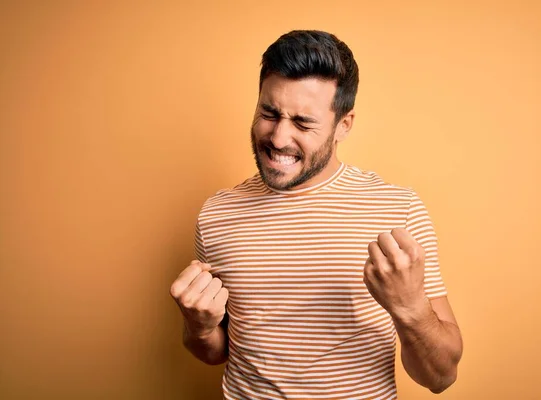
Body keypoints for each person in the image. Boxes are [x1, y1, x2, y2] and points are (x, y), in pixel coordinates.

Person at [170, 29, 463, 399]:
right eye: (269, 113)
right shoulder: (217, 214)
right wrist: (198, 327)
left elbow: (440, 377)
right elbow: (215, 352)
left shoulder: (397, 211)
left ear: (344, 125)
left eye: (303, 123)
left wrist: (410, 308)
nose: (278, 138)